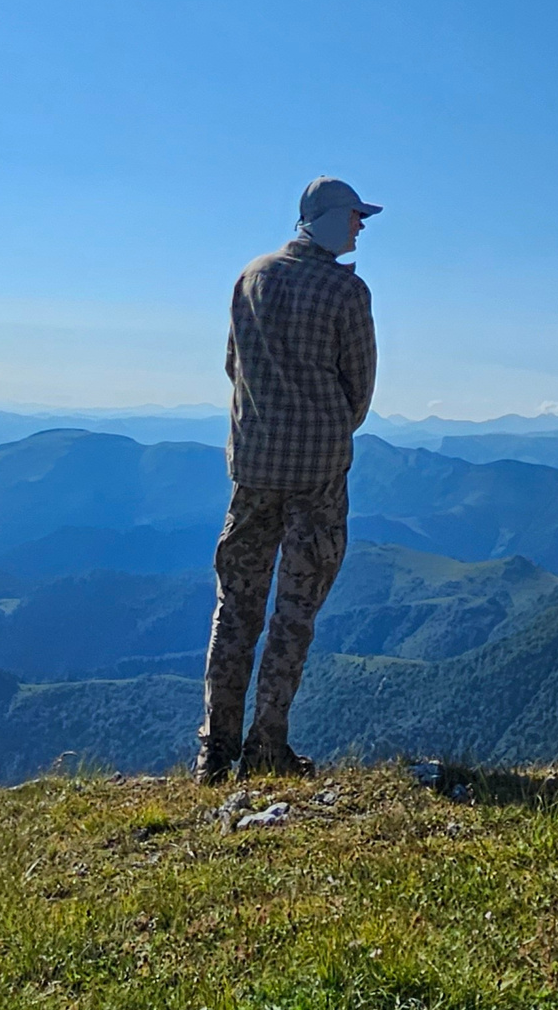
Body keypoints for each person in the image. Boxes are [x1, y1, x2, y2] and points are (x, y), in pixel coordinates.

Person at [197, 175, 380, 781]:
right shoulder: (346, 292)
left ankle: (214, 750)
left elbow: (233, 364)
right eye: (355, 215)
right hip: (318, 475)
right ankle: (266, 747)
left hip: (252, 469)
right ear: (327, 217)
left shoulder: (250, 278)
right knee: (294, 611)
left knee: (236, 606)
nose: (360, 226)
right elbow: (359, 386)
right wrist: (328, 427)